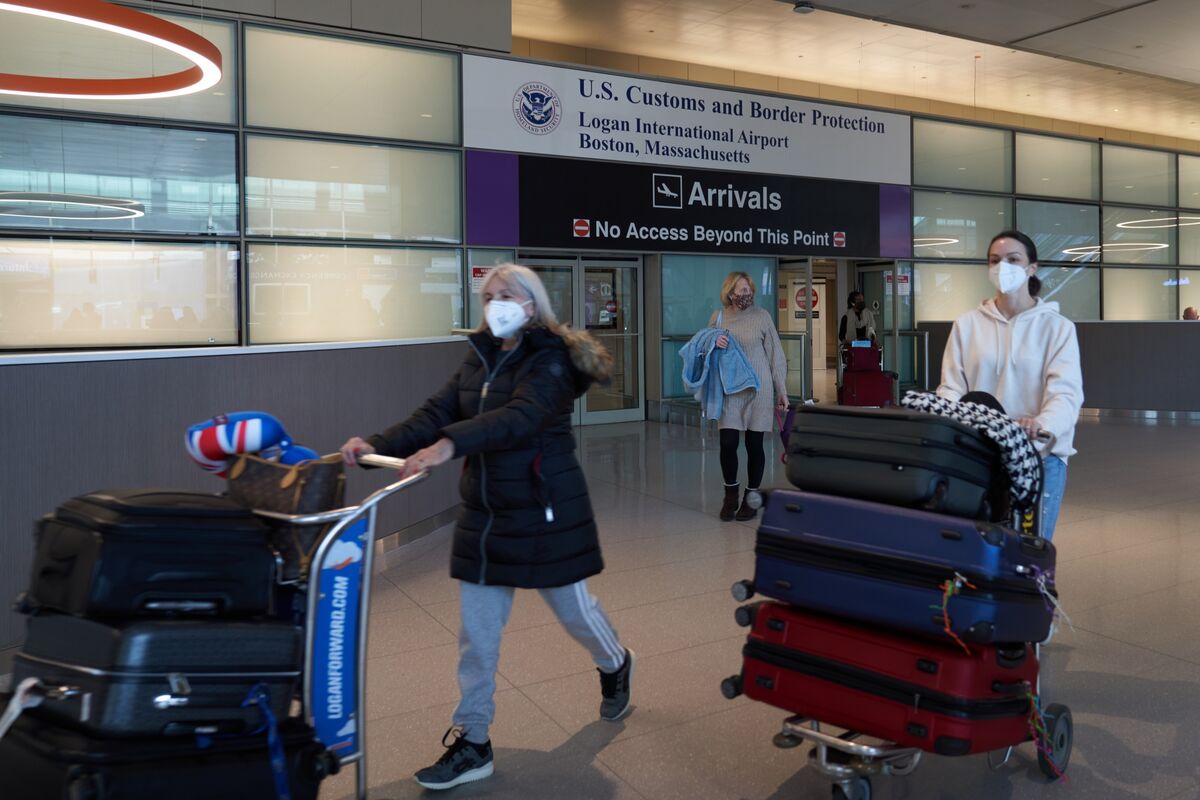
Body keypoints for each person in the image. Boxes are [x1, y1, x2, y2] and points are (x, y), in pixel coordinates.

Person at [339, 264, 633, 791]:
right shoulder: (479, 358)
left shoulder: (553, 361)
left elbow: (518, 419)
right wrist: (376, 445)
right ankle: (474, 740)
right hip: (487, 512)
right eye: (488, 296)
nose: (495, 303)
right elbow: (433, 413)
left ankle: (615, 661)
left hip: (545, 512)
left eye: (507, 294)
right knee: (476, 638)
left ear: (532, 304)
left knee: (578, 616)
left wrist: (449, 446)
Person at [937, 230, 1084, 541]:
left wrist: (1041, 425)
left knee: (1029, 550)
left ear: (1032, 267)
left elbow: (1066, 394)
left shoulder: (1058, 328)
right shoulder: (967, 325)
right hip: (980, 454)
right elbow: (950, 388)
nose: (1003, 266)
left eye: (1013, 259)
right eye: (995, 260)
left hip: (1039, 456)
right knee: (976, 548)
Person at [708, 271, 789, 522]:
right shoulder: (719, 317)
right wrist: (714, 343)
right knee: (728, 443)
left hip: (759, 389)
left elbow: (776, 355)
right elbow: (703, 349)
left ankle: (751, 499)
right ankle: (730, 495)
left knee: (754, 446)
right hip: (730, 390)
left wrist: (782, 390)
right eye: (741, 290)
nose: (746, 294)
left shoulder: (762, 316)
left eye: (748, 289)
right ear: (730, 293)